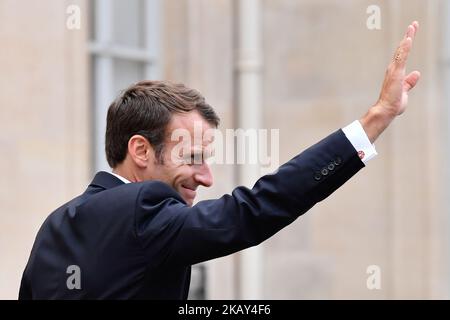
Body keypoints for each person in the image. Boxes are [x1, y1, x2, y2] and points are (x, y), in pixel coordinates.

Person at [19, 22, 420, 299]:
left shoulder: (53, 229)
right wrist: (374, 120)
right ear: (140, 150)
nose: (206, 178)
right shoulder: (143, 211)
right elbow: (255, 209)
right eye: (192, 157)